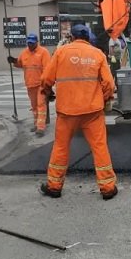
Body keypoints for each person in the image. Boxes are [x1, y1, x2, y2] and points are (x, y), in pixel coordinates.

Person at [39, 24, 117, 200]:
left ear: (72, 37)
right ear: (88, 37)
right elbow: (109, 85)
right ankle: (107, 188)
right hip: (92, 111)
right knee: (99, 147)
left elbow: (46, 79)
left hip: (67, 111)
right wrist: (104, 99)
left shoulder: (61, 52)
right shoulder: (97, 54)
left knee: (60, 147)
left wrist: (48, 92)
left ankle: (54, 186)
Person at [8, 34, 52, 136]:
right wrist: (14, 61)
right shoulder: (24, 53)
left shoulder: (43, 52)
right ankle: (36, 124)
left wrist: (47, 84)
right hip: (30, 84)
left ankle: (41, 127)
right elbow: (20, 63)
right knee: (34, 106)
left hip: (41, 84)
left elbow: (47, 68)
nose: (30, 45)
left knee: (41, 105)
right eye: (28, 43)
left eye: (32, 43)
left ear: (37, 42)